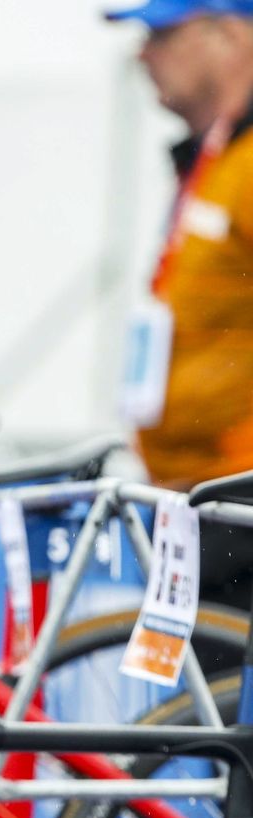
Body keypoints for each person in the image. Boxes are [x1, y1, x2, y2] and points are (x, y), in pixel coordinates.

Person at [108, 0, 253, 607]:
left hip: (239, 501)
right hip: (198, 499)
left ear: (231, 35)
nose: (143, 54)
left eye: (163, 34)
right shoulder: (217, 157)